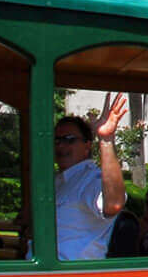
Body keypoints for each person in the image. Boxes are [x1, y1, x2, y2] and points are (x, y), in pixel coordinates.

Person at [53, 94, 128, 261]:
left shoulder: (89, 179)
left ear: (87, 146)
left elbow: (114, 204)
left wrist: (106, 140)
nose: (61, 145)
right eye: (56, 140)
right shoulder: (58, 181)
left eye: (69, 140)